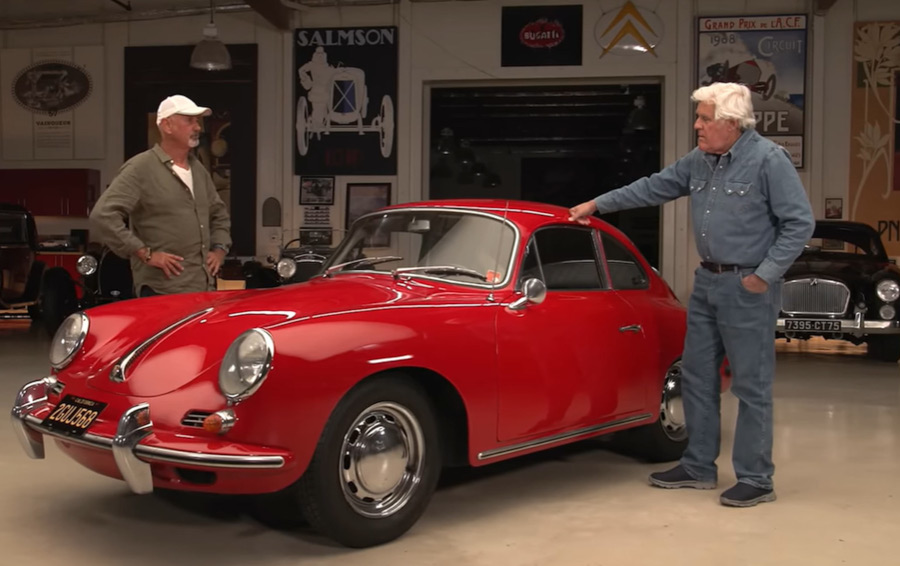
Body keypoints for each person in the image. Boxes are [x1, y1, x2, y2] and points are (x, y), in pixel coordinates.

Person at [569, 82, 814, 507]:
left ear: (732, 123)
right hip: (707, 283)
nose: (697, 126)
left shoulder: (768, 161)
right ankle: (699, 466)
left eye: (704, 118)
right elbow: (652, 186)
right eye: (697, 118)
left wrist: (764, 276)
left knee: (751, 387)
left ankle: (757, 479)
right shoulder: (700, 161)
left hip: (747, 285)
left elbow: (799, 224)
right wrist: (597, 204)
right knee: (697, 377)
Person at [90, 94, 232, 297]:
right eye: (189, 120)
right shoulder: (140, 168)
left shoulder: (198, 169)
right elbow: (103, 215)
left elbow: (219, 214)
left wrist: (219, 250)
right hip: (161, 291)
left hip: (202, 288)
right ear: (167, 126)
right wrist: (145, 254)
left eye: (198, 121)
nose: (198, 127)